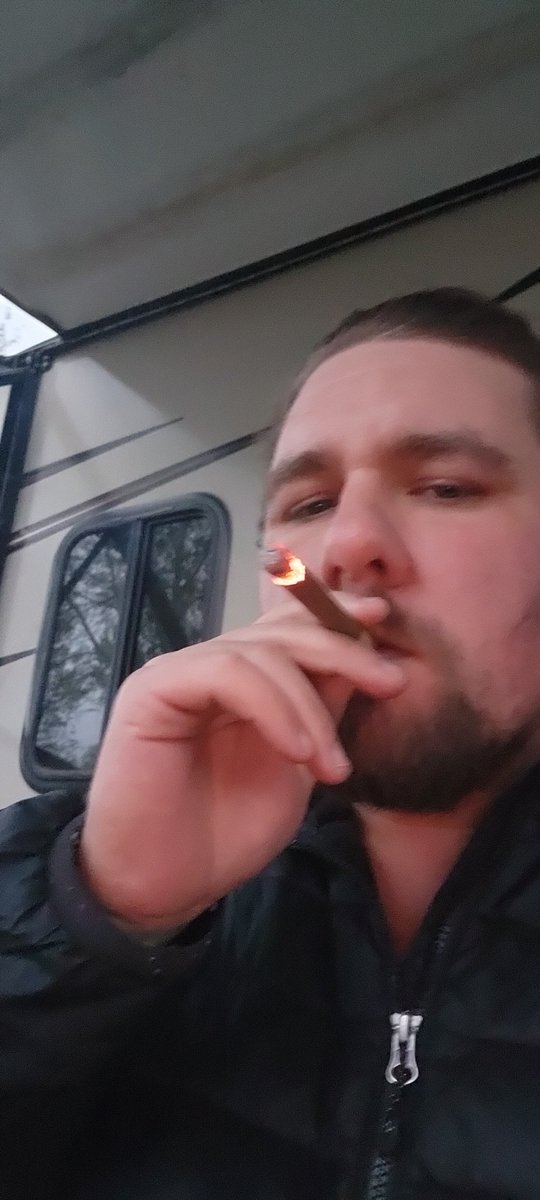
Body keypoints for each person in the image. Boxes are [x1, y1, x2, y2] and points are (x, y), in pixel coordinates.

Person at [2, 287, 540, 1200]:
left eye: (446, 487)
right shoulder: (81, 879)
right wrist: (100, 920)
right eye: (310, 503)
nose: (349, 547)